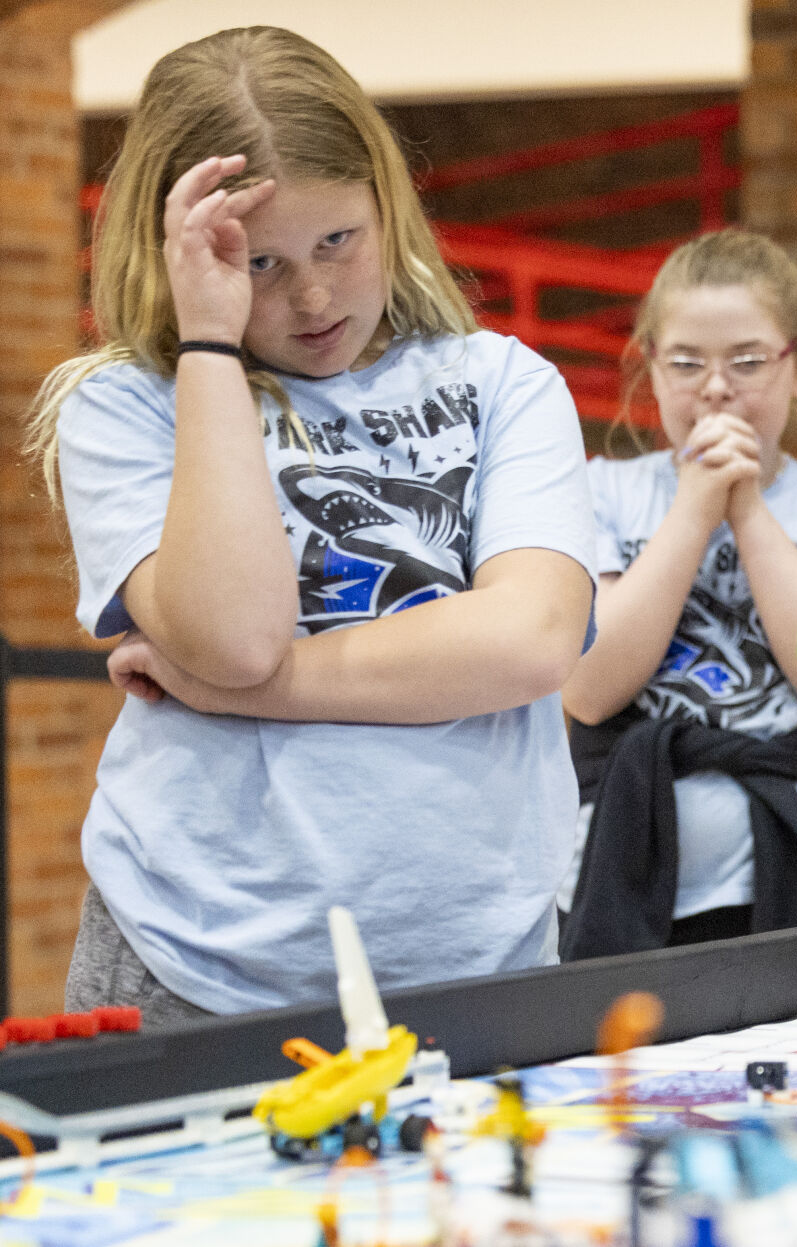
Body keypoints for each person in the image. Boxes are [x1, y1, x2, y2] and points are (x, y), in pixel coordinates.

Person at [24, 27, 596, 1022]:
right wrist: (207, 339)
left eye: (339, 241)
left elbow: (530, 641)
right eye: (261, 265)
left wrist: (251, 692)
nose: (315, 295)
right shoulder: (127, 405)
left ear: (387, 203)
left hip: (480, 959)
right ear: (183, 258)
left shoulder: (501, 380)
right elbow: (237, 634)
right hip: (197, 962)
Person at [557, 229, 797, 958]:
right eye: (687, 362)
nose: (716, 388)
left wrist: (746, 509)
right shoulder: (601, 492)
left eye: (746, 362)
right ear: (649, 365)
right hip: (612, 873)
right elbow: (589, 687)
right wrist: (694, 508)